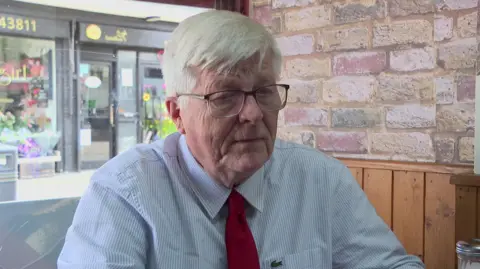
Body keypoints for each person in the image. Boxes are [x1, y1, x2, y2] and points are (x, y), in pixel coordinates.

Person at [57, 10, 425, 269]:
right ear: (177, 114)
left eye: (264, 91)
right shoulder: (125, 192)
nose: (251, 114)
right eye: (225, 96)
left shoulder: (320, 179)